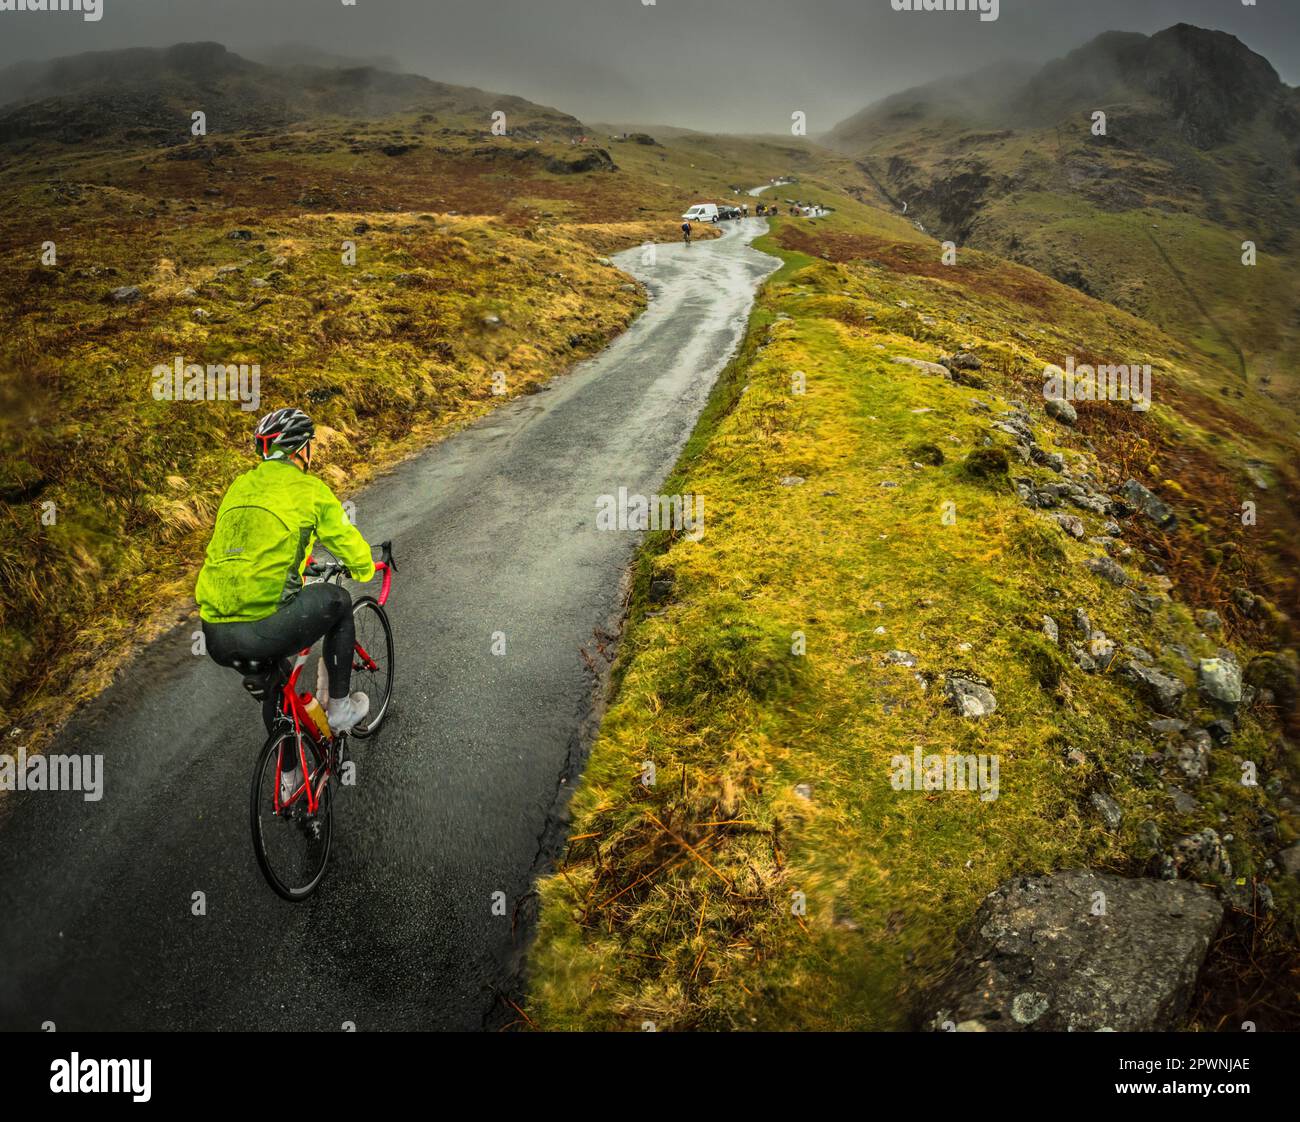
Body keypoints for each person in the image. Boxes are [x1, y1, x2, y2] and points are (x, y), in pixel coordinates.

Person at [195, 408, 377, 762]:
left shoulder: (240, 485)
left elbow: (256, 543)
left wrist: (300, 563)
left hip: (214, 631)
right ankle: (339, 709)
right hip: (264, 626)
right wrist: (365, 567)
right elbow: (349, 546)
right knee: (339, 601)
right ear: (300, 450)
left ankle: (289, 780)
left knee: (278, 691)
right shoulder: (309, 489)